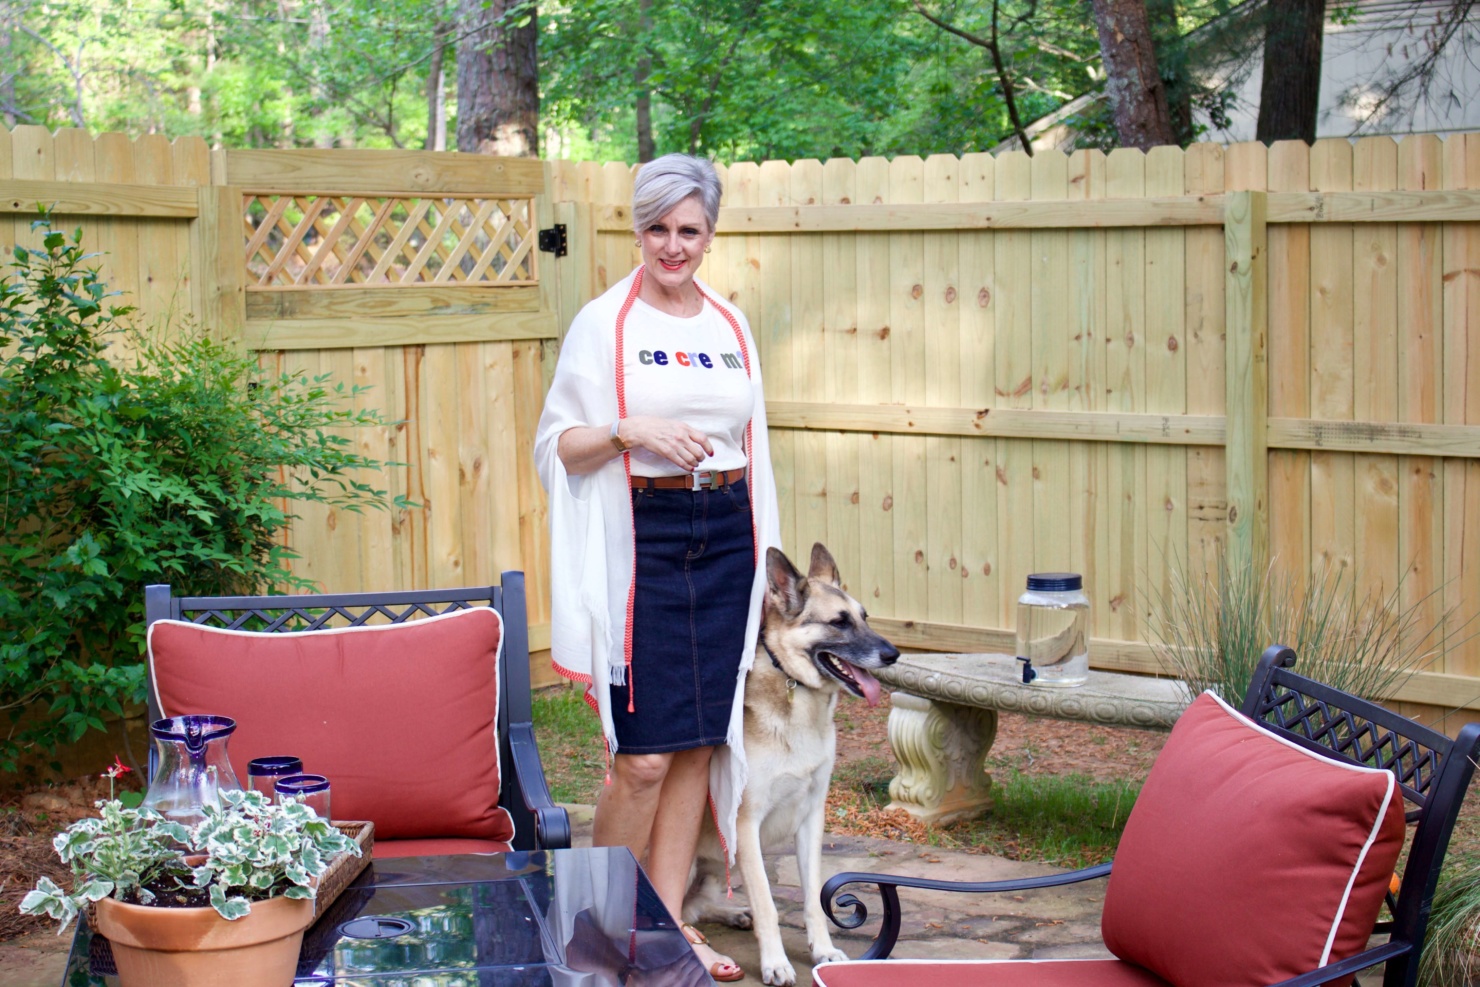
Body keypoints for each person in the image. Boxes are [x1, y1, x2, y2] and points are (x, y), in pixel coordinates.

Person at [535, 153, 781, 983]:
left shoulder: (730, 324)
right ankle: (602, 930)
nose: (672, 246)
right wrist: (629, 430)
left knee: (697, 744)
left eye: (689, 229)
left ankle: (667, 927)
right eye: (657, 228)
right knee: (643, 754)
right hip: (643, 537)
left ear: (709, 234)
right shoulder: (604, 326)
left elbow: (755, 444)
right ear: (635, 230)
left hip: (726, 538)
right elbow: (558, 447)